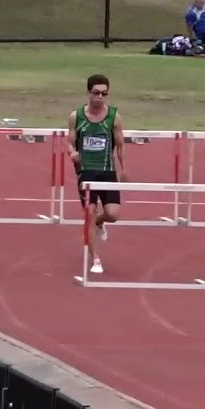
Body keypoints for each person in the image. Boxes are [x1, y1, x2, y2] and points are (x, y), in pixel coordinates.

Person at [67, 74, 128, 275]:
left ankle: (100, 222)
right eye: (96, 93)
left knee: (113, 214)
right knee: (89, 213)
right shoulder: (77, 116)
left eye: (104, 94)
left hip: (107, 171)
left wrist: (124, 169)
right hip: (86, 172)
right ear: (89, 93)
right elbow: (69, 141)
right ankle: (96, 260)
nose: (100, 97)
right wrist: (72, 152)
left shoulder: (114, 117)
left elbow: (120, 145)